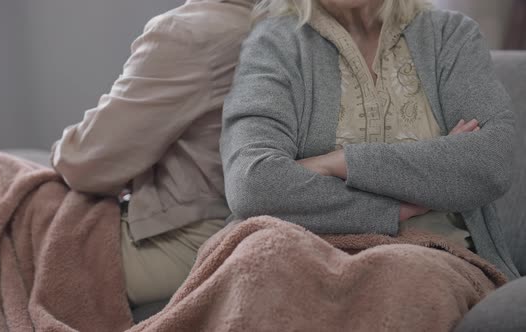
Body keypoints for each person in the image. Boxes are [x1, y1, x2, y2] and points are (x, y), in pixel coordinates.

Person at [220, 0, 521, 328]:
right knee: (261, 261)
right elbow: (253, 182)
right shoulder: (274, 43)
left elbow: (491, 160)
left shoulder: (450, 35)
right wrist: (397, 207)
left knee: (407, 279)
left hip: (434, 251)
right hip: (306, 245)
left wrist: (339, 162)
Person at [51, 0, 254, 307]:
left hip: (183, 242)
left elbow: (85, 163)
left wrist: (60, 151)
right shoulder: (283, 22)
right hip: (235, 229)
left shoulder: (192, 32)